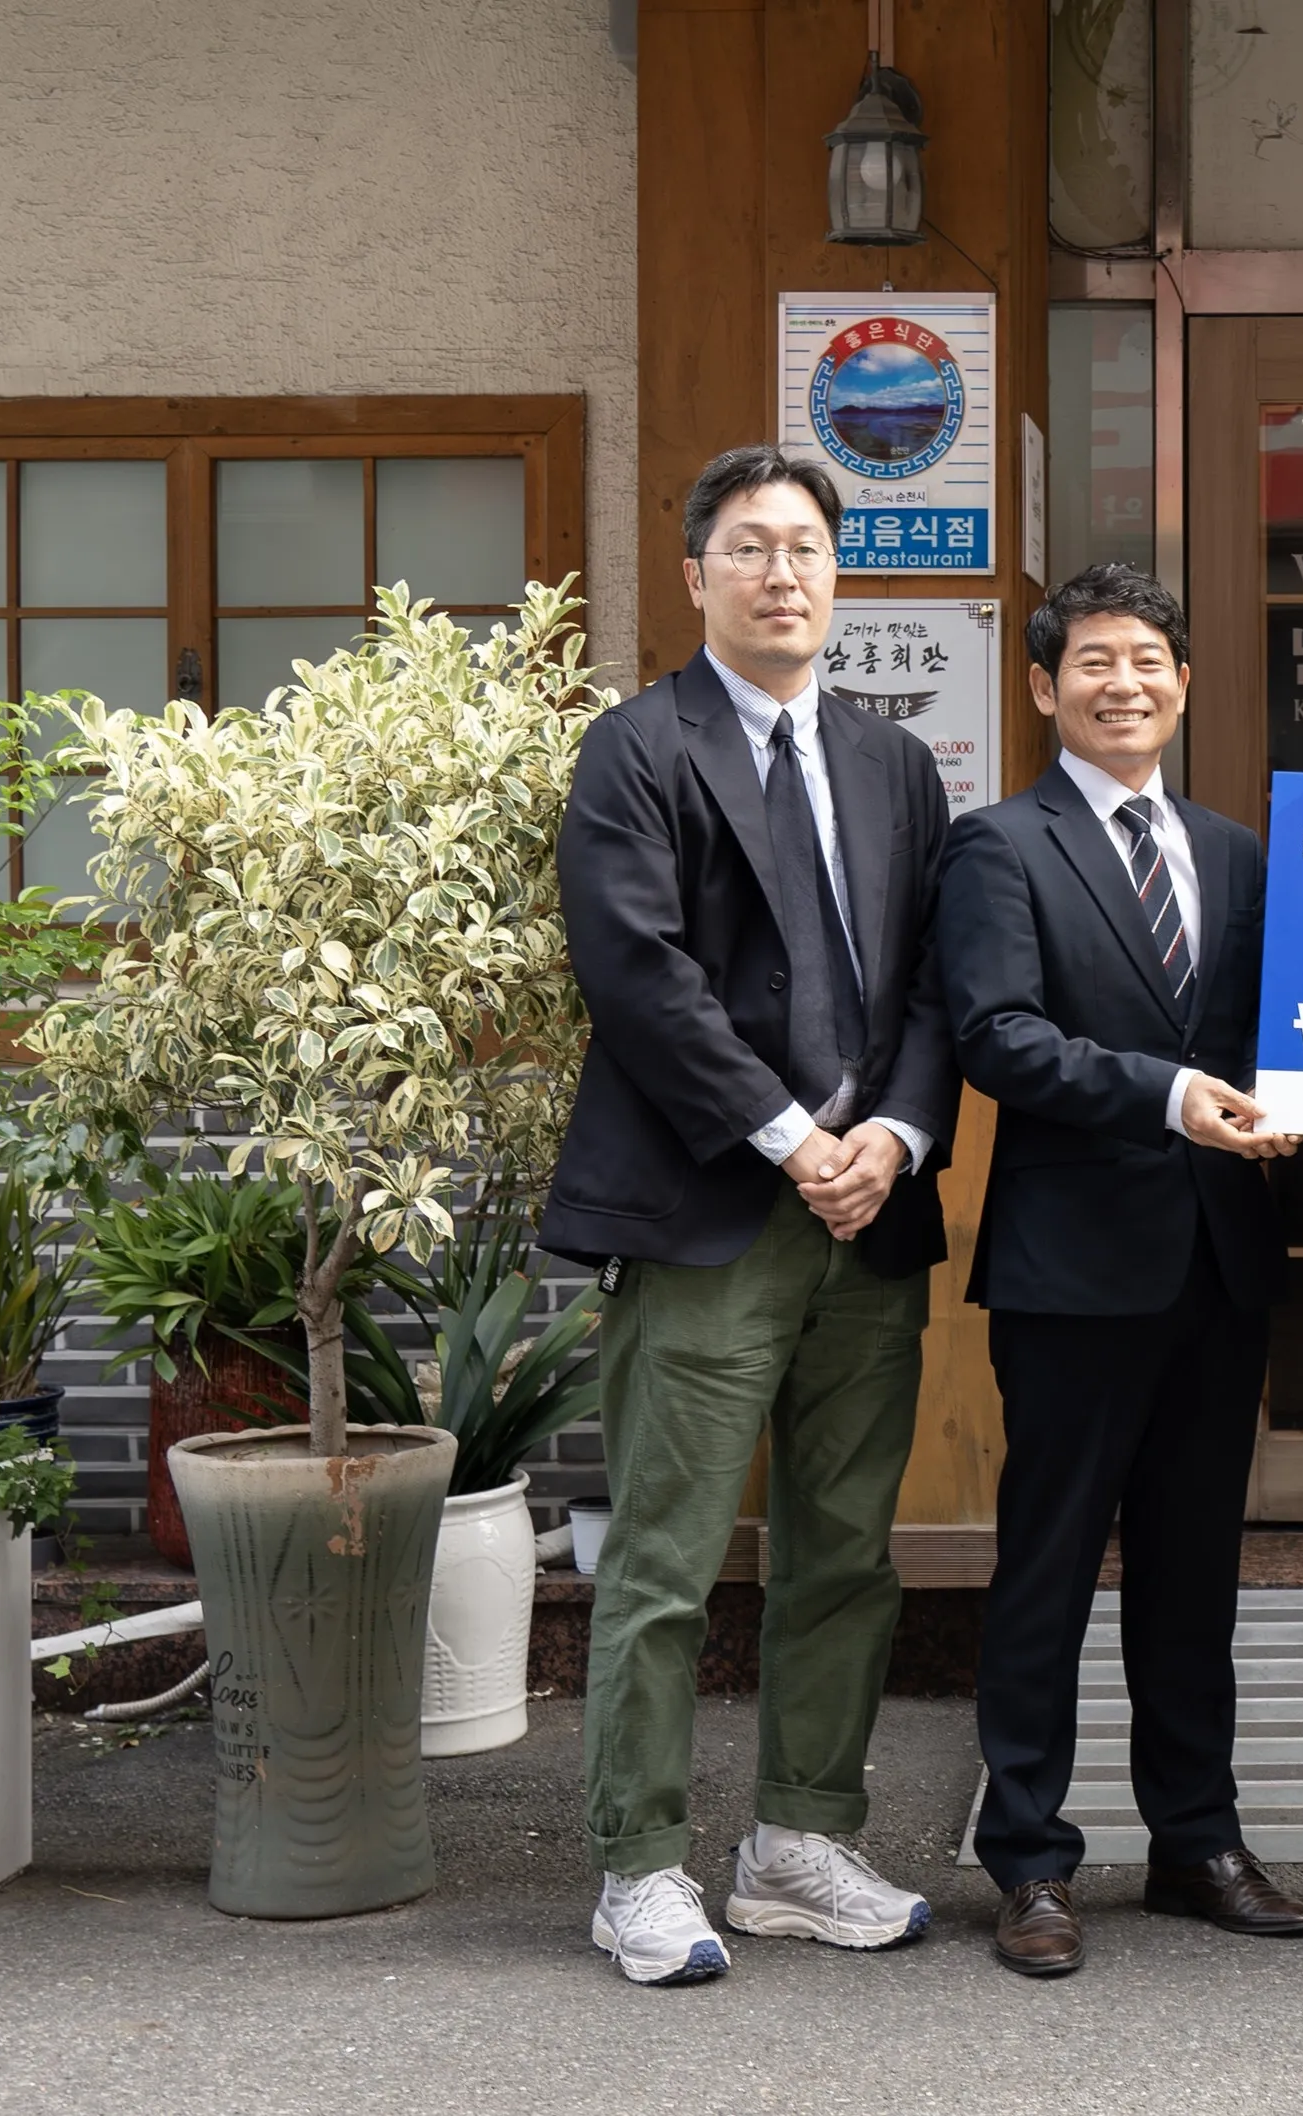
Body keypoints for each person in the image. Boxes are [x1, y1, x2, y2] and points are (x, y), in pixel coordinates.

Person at [542, 444, 958, 1986]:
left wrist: (896, 1138)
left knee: (844, 1548)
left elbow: (935, 982)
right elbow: (639, 976)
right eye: (750, 547)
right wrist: (796, 1139)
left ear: (838, 578)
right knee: (664, 1556)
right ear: (698, 575)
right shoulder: (636, 750)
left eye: (806, 548)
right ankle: (638, 1863)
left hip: (871, 1217)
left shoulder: (892, 761)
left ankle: (797, 1840)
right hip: (713, 1205)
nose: (783, 572)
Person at [934, 563, 1303, 1977]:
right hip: (1070, 1269)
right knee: (1045, 1570)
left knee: (1190, 1572)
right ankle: (1029, 1858)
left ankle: (1196, 1839)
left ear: (1184, 679)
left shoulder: (1237, 852)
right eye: (1092, 661)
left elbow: (1292, 1032)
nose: (1124, 683)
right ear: (1043, 688)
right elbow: (996, 1036)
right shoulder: (1000, 848)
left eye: (1149, 658)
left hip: (1219, 1264)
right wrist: (1168, 1094)